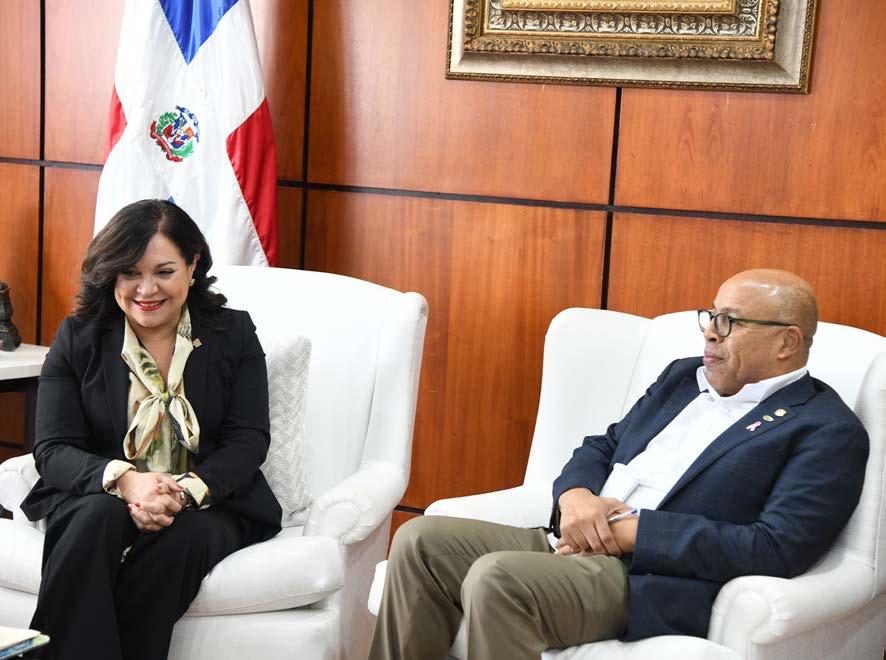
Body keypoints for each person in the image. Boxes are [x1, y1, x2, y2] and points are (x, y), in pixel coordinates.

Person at [369, 269, 869, 660]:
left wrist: (634, 533)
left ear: (787, 342)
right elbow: (602, 446)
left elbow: (776, 548)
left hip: (646, 577)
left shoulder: (825, 429)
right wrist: (575, 498)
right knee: (421, 540)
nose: (710, 334)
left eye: (730, 322)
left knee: (497, 577)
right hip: (576, 539)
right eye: (711, 316)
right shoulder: (683, 378)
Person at [21, 199, 282, 660]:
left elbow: (248, 439)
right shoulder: (79, 336)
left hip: (207, 501)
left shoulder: (234, 333)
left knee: (176, 542)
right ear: (111, 274)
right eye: (129, 273)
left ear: (193, 266)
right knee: (97, 519)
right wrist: (128, 482)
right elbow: (54, 448)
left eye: (164, 272)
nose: (146, 289)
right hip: (99, 494)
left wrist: (182, 493)